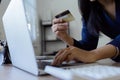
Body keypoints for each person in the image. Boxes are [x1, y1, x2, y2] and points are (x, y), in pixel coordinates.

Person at [51, 0, 120, 66]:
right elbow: (87, 48)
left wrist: (93, 54)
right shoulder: (90, 11)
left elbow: (89, 54)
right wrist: (66, 37)